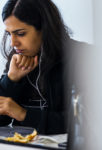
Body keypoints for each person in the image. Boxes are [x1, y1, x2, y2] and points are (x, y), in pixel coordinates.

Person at [0, 0, 76, 135]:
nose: (13, 43)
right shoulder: (17, 60)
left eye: (21, 33)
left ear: (45, 28)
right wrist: (11, 80)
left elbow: (81, 122)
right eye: (9, 34)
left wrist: (23, 114)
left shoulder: (82, 58)